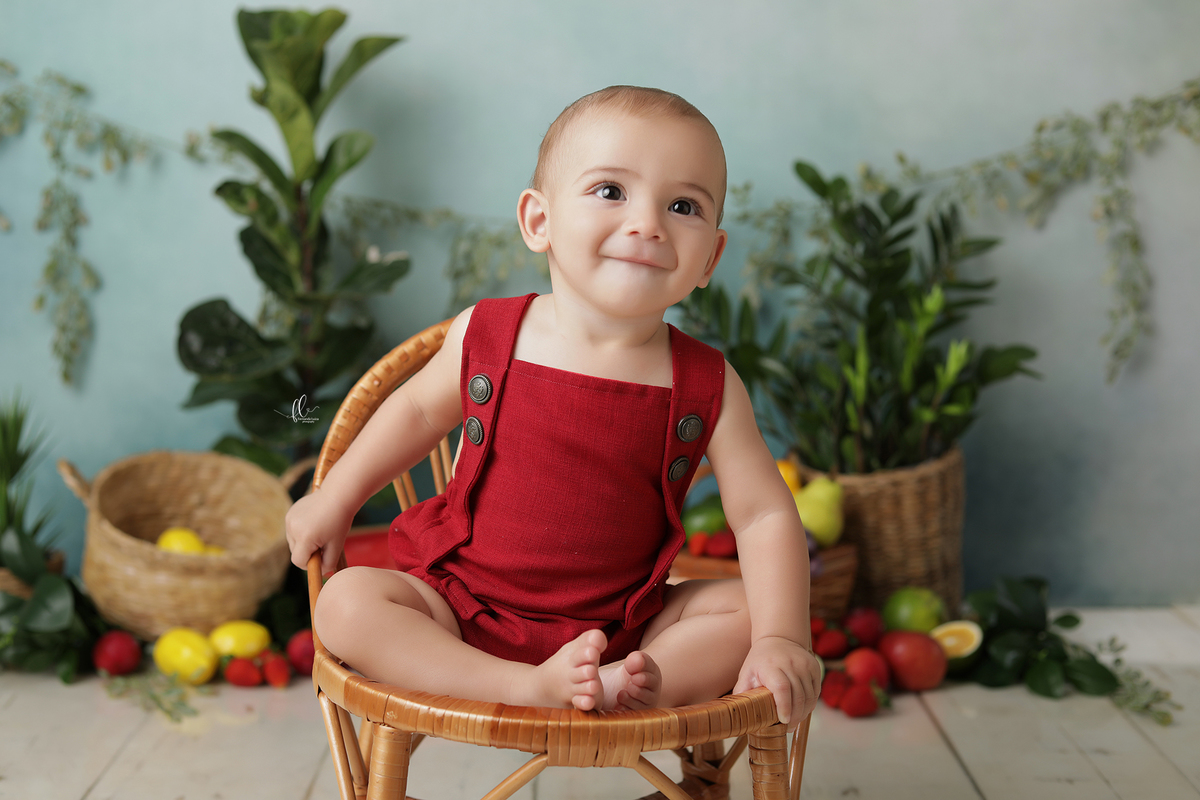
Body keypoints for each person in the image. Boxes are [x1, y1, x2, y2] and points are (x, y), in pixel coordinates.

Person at [286, 85, 820, 728]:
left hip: (626, 632)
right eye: (611, 191)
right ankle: (521, 686)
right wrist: (336, 497)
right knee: (346, 602)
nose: (646, 223)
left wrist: (782, 637)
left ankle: (642, 688)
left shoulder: (706, 382)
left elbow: (762, 515)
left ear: (710, 255)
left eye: (683, 205)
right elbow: (417, 416)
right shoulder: (486, 336)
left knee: (748, 609)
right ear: (539, 221)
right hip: (461, 611)